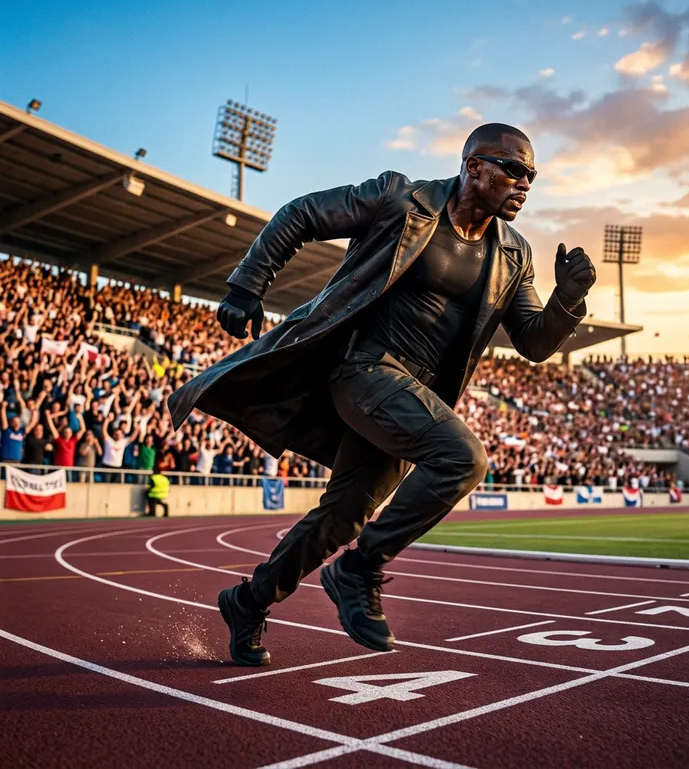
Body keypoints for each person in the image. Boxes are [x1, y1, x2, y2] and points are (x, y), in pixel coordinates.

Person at [169, 123, 596, 666]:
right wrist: (247, 284)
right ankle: (359, 570)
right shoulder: (401, 199)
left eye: (531, 175)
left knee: (342, 517)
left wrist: (567, 299)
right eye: (514, 170)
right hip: (361, 365)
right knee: (463, 458)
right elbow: (302, 213)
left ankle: (249, 601)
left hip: (413, 392)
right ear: (473, 167)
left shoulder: (514, 253)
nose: (525, 183)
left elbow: (533, 343)